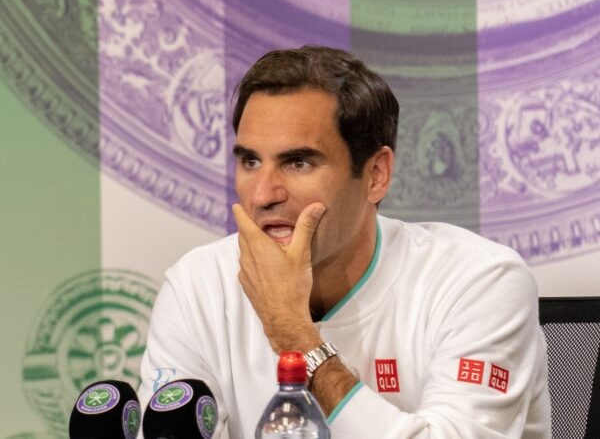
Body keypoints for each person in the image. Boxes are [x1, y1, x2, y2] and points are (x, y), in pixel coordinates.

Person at [139, 45, 551, 438]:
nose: (263, 194)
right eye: (250, 161)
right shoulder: (197, 285)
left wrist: (296, 338)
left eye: (297, 162)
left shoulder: (479, 281)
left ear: (375, 175)